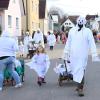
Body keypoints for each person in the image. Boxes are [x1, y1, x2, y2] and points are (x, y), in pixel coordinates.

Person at [63, 16, 100, 97]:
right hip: (73, 55)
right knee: (75, 71)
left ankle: (80, 88)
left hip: (82, 55)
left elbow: (92, 43)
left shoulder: (87, 31)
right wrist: (66, 52)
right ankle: (78, 85)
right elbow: (68, 42)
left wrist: (94, 53)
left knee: (81, 70)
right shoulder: (72, 30)